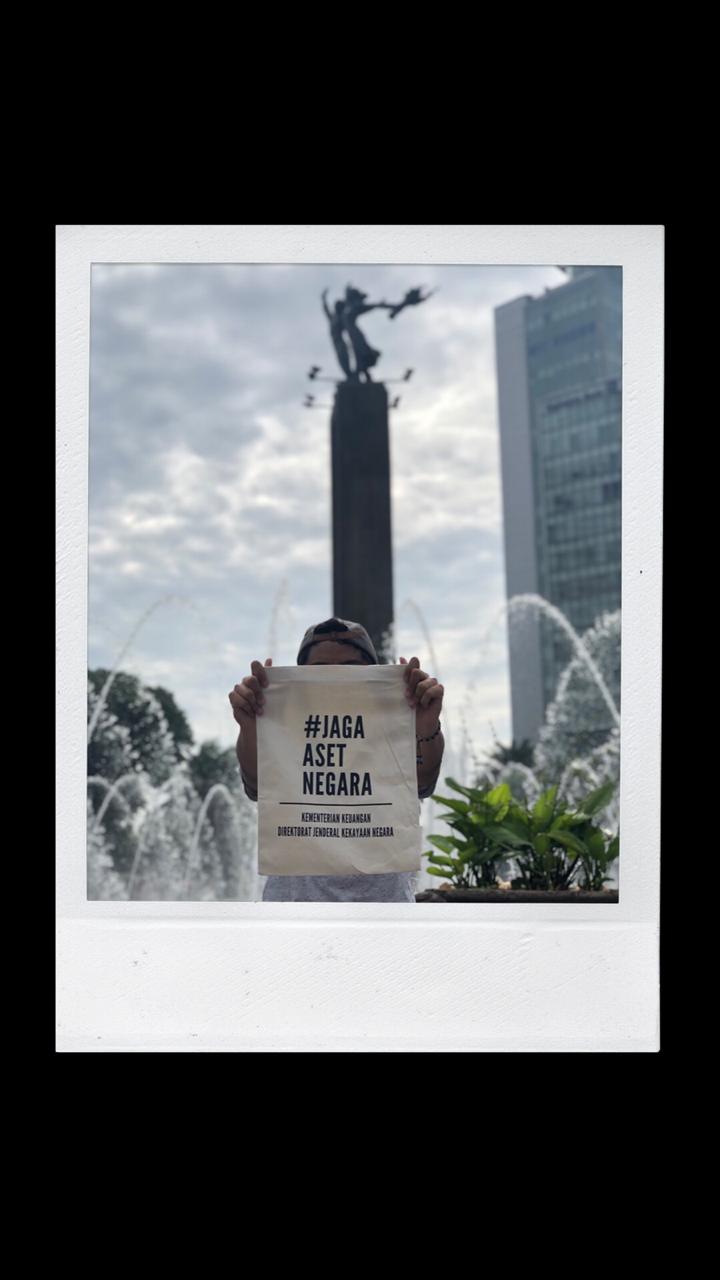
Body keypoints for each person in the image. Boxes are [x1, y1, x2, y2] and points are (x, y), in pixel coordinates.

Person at [228, 616, 445, 902]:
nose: (336, 678)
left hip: (382, 913)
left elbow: (424, 782)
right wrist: (250, 724)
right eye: (321, 670)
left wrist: (426, 724)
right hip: (293, 912)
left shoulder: (396, 721)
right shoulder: (283, 723)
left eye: (350, 668)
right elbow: (257, 787)